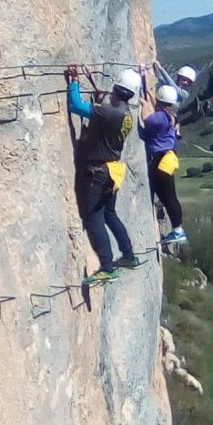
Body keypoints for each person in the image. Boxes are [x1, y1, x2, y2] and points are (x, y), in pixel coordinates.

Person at [65, 64, 144, 285]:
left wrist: (73, 81)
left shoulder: (109, 112)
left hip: (98, 172)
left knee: (93, 218)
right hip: (112, 171)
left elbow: (76, 106)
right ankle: (128, 255)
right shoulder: (125, 113)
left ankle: (107, 267)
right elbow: (104, 118)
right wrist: (100, 102)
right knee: (110, 214)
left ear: (117, 90)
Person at [140, 67, 186, 244]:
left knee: (169, 196)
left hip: (162, 159)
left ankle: (178, 229)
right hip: (167, 158)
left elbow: (146, 118)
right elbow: (157, 104)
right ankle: (177, 229)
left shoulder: (159, 118)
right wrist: (146, 84)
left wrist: (144, 104)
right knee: (163, 193)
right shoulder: (168, 115)